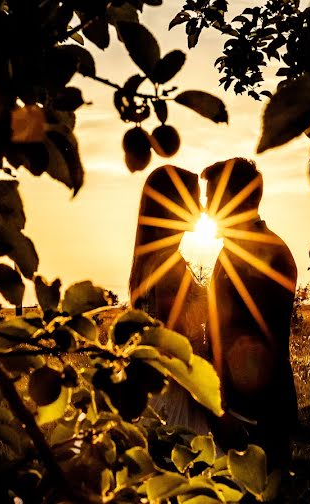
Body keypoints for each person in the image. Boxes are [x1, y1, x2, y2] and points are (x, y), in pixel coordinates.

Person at [202, 158, 298, 471]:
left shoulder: (265, 255)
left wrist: (226, 411)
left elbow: (254, 343)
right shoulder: (238, 251)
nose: (206, 209)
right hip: (246, 413)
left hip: (255, 416)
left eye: (211, 198)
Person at [128, 165, 211, 434]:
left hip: (159, 389)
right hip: (176, 394)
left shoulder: (151, 259)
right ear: (174, 205)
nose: (201, 209)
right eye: (195, 199)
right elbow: (175, 343)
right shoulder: (168, 266)